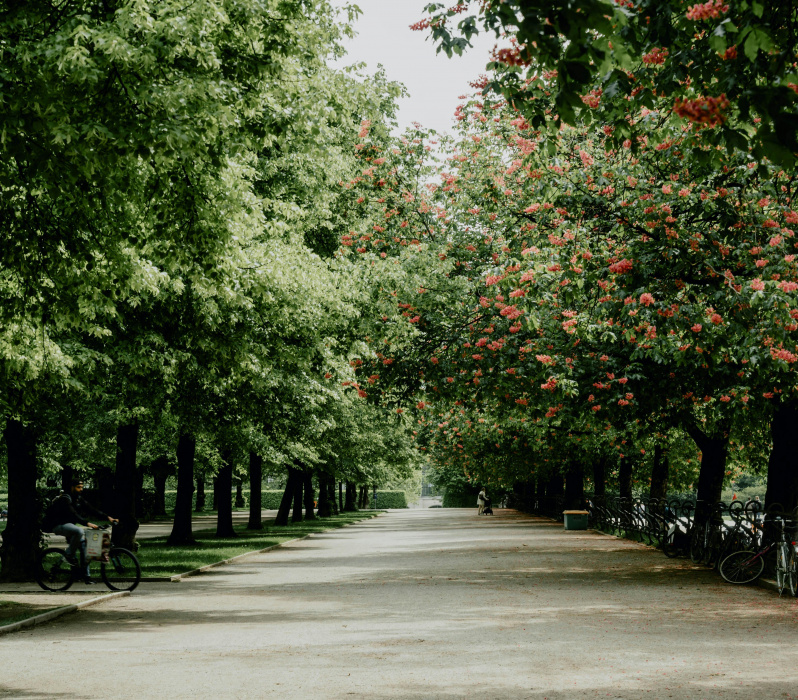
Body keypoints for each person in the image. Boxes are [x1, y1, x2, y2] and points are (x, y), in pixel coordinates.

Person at [42, 479, 118, 584]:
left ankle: (86, 577)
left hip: (70, 527)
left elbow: (91, 509)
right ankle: (68, 556)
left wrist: (108, 517)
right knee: (79, 531)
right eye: (78, 487)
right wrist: (87, 523)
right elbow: (73, 514)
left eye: (82, 487)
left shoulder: (78, 499)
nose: (81, 489)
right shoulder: (65, 498)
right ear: (72, 487)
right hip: (59, 525)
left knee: (84, 547)